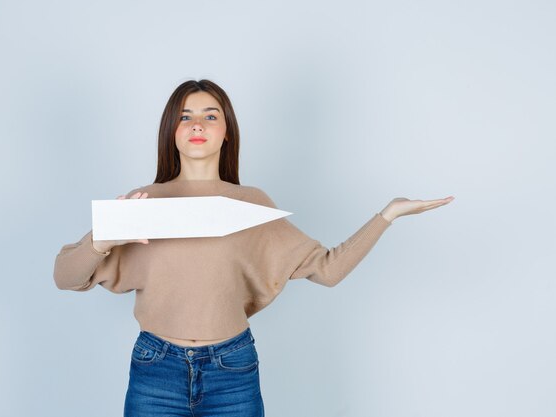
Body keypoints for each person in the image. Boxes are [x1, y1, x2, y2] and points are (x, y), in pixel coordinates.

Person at [53, 79, 454, 416]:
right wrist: (102, 240)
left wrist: (388, 214)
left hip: (232, 371)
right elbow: (65, 276)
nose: (198, 124)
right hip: (156, 370)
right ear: (170, 131)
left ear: (227, 131)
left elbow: (328, 270)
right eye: (185, 116)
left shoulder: (251, 203)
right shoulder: (144, 201)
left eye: (211, 116)